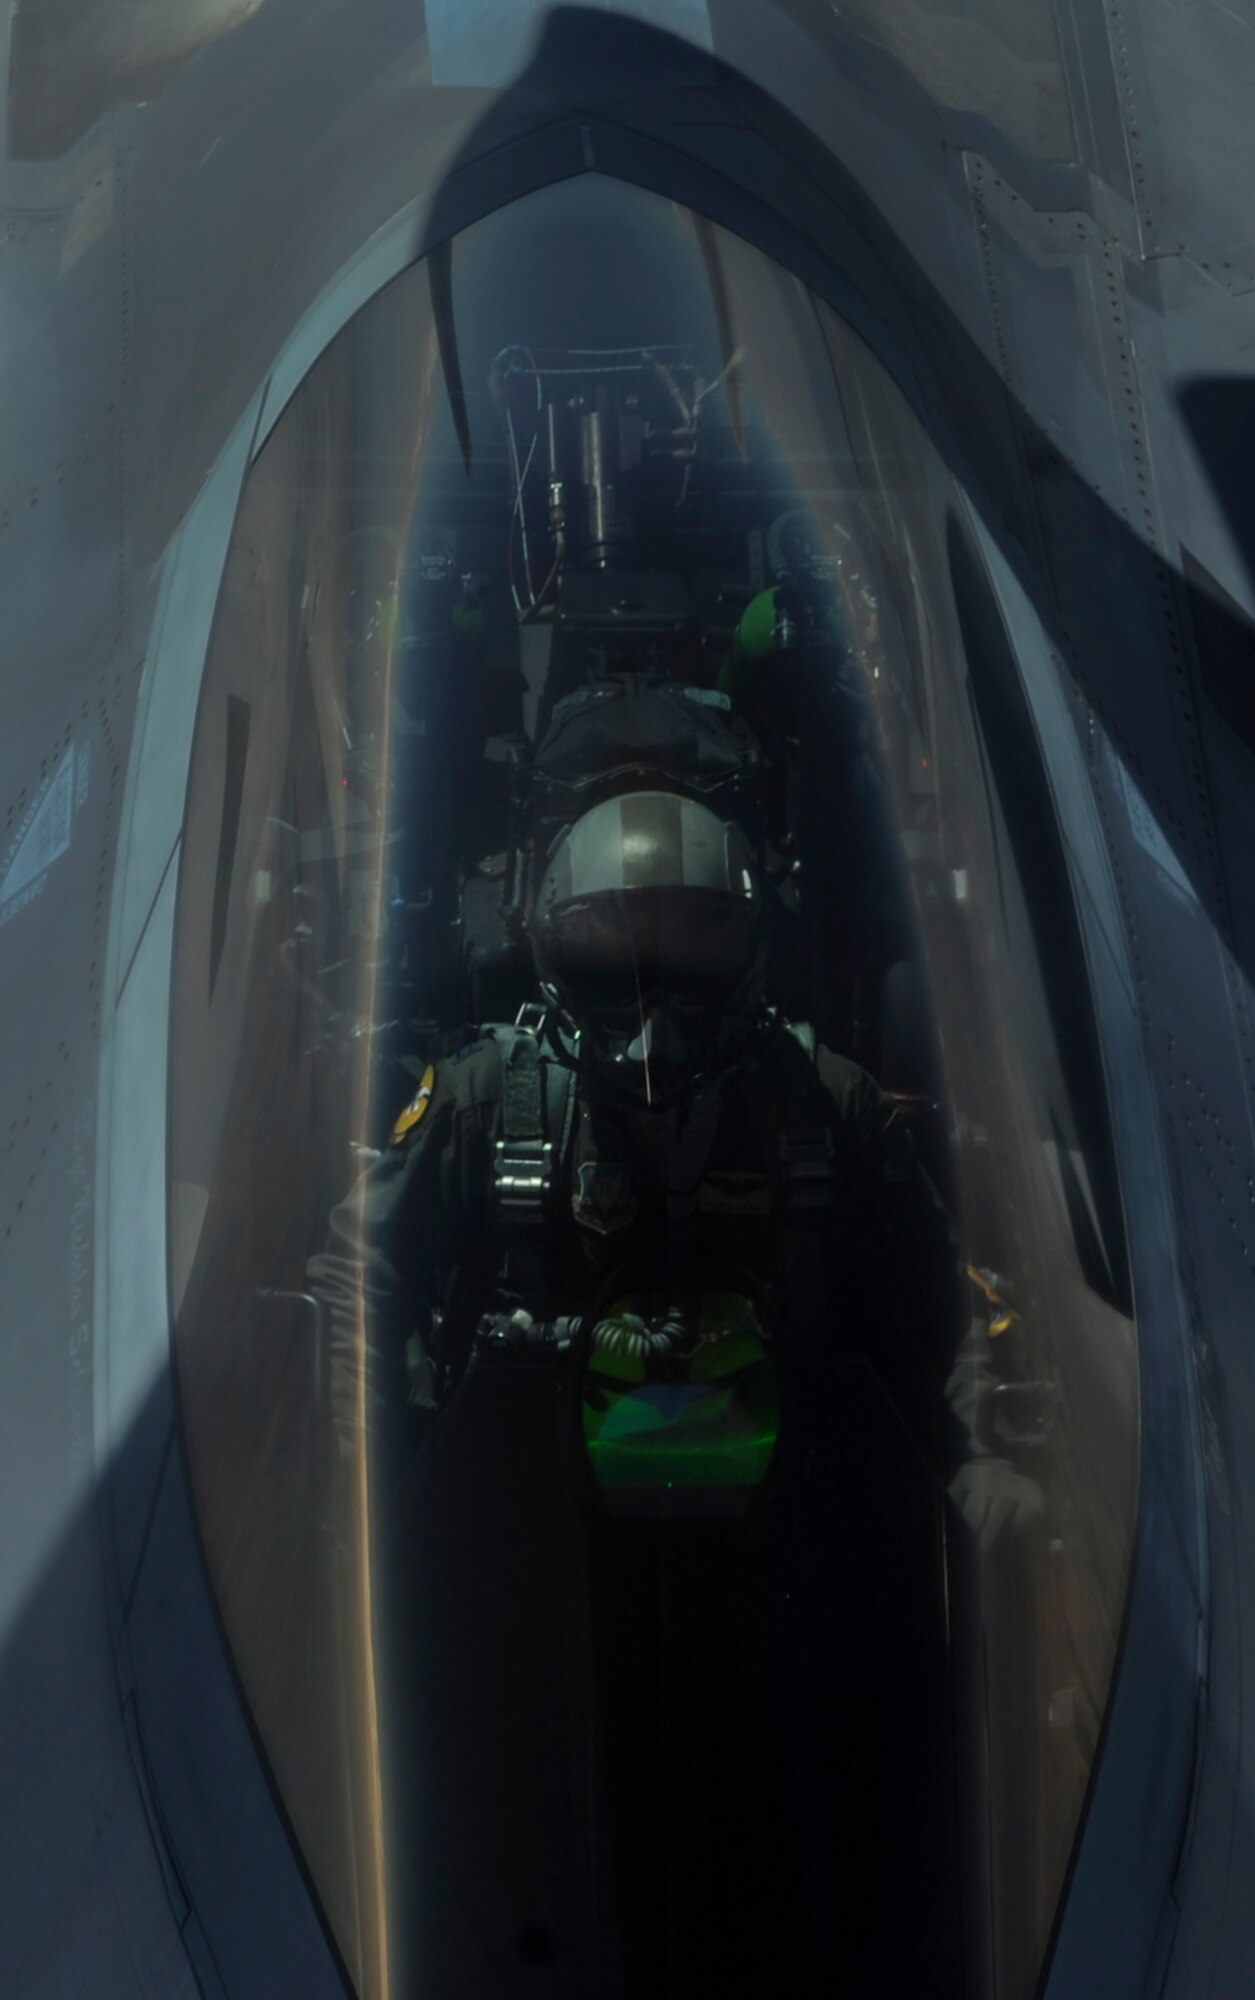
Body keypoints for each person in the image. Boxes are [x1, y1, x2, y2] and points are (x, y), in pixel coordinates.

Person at [307, 786, 953, 1482]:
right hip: (530, 1492)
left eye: (689, 963)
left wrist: (979, 1456)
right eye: (615, 971)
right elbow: (359, 1277)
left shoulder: (822, 1106)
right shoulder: (487, 1101)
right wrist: (365, 1460)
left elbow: (942, 1297)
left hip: (782, 1496)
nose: (654, 1030)